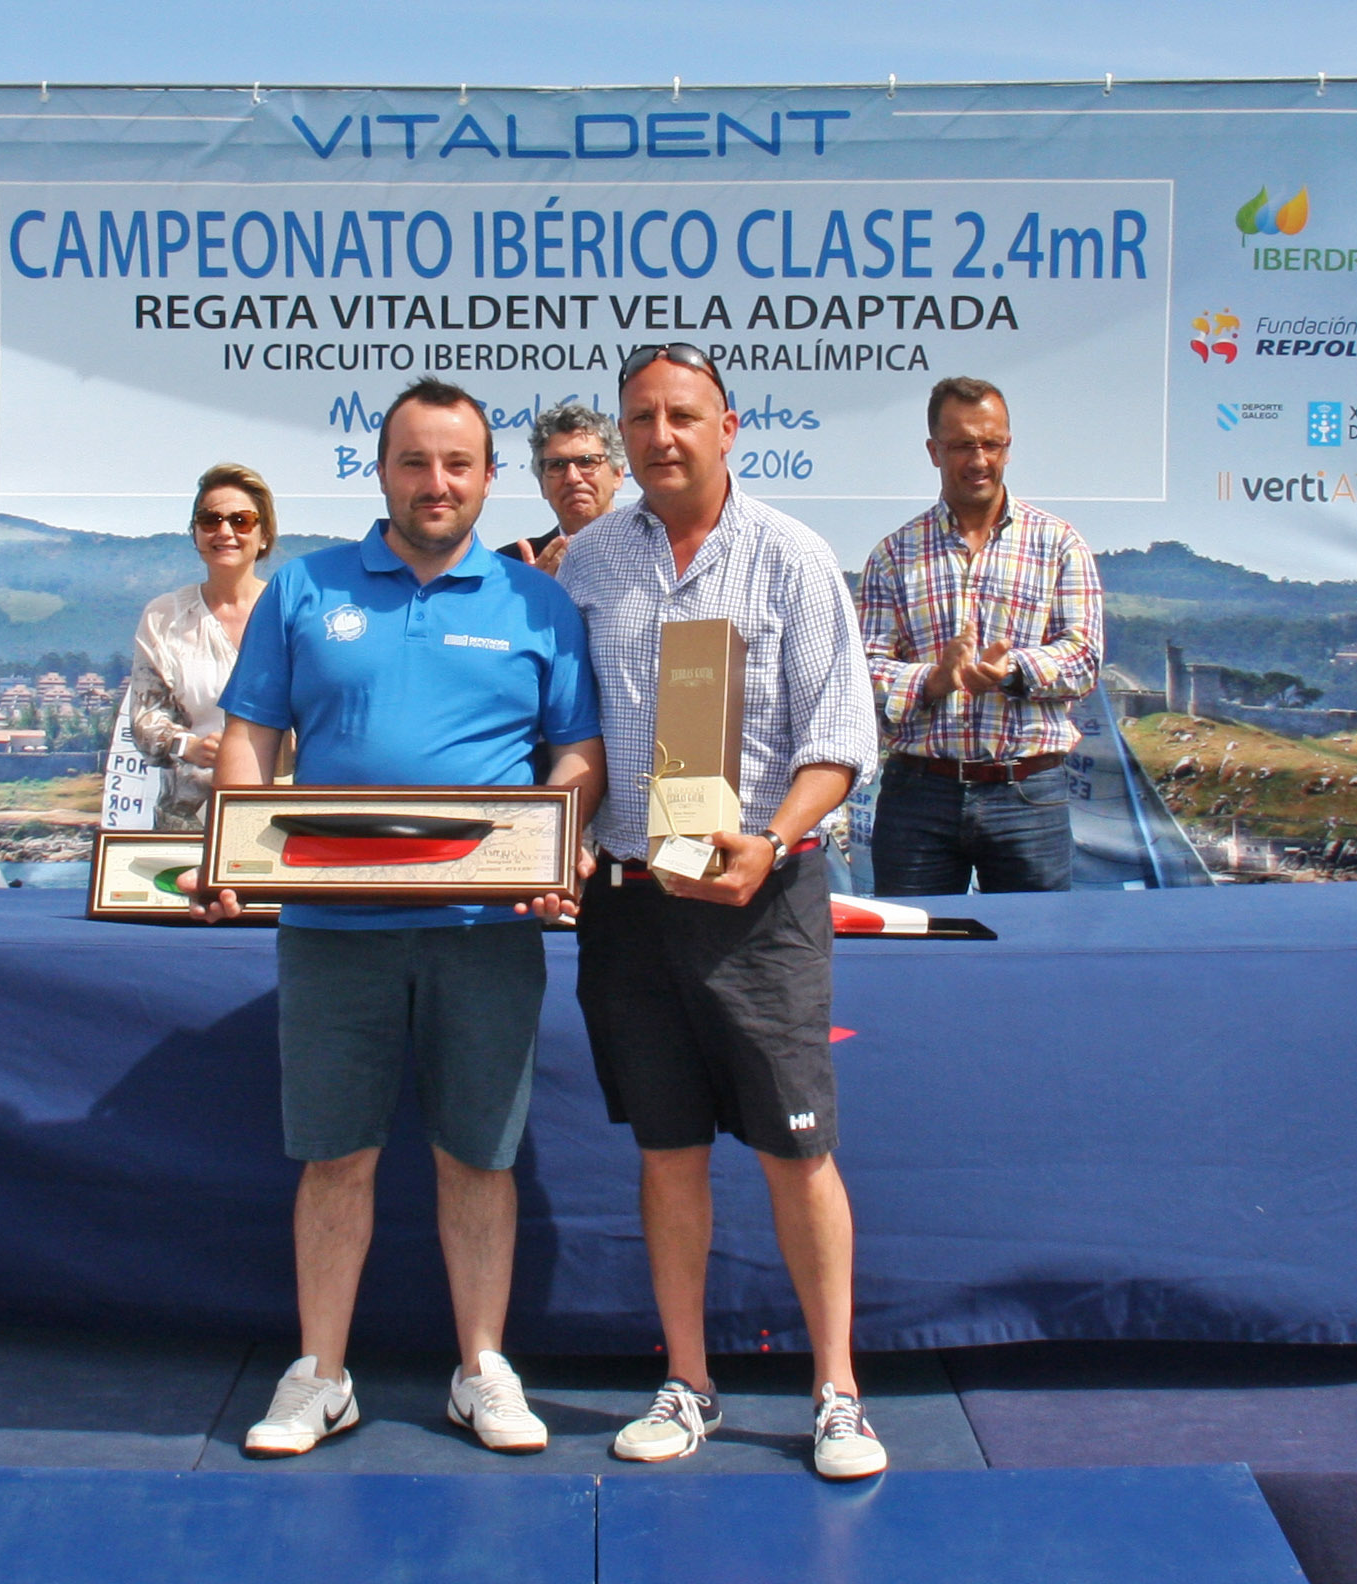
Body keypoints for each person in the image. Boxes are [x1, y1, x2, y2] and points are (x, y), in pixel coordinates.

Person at [188, 379, 606, 1457]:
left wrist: (554, 842)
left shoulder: (536, 602)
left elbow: (579, 753)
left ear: (486, 477)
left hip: (486, 928)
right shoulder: (305, 589)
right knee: (336, 1158)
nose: (437, 484)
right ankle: (319, 1375)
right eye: (416, 463)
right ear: (380, 471)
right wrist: (235, 848)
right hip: (333, 933)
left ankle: (482, 1370)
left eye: (457, 465)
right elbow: (251, 736)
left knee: (479, 1157)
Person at [557, 343, 887, 1480]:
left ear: (729, 425)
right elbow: (577, 738)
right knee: (669, 1151)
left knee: (798, 1153)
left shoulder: (793, 558)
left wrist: (775, 841)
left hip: (761, 896)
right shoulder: (587, 564)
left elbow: (840, 741)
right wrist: (552, 834)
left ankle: (836, 1391)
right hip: (632, 902)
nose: (661, 436)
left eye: (682, 415)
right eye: (640, 417)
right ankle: (688, 1380)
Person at [858, 378, 1103, 895]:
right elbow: (865, 672)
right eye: (963, 445)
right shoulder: (893, 556)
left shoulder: (1059, 544)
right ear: (934, 451)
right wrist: (934, 680)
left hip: (1029, 794)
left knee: (1035, 962)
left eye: (992, 444)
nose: (979, 460)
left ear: (1008, 448)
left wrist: (1013, 671)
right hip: (919, 796)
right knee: (912, 961)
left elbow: (1083, 658)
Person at [129, 463, 278, 829]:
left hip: (278, 814)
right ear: (195, 533)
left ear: (263, 535)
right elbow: (145, 719)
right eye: (210, 520)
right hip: (188, 822)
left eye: (241, 520)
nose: (224, 531)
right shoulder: (163, 616)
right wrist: (188, 746)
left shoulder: (293, 610)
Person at [514, 402, 628, 575]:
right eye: (557, 465)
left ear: (617, 475)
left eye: (587, 462)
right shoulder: (513, 566)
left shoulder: (655, 553)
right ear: (542, 485)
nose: (572, 478)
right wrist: (532, 595)